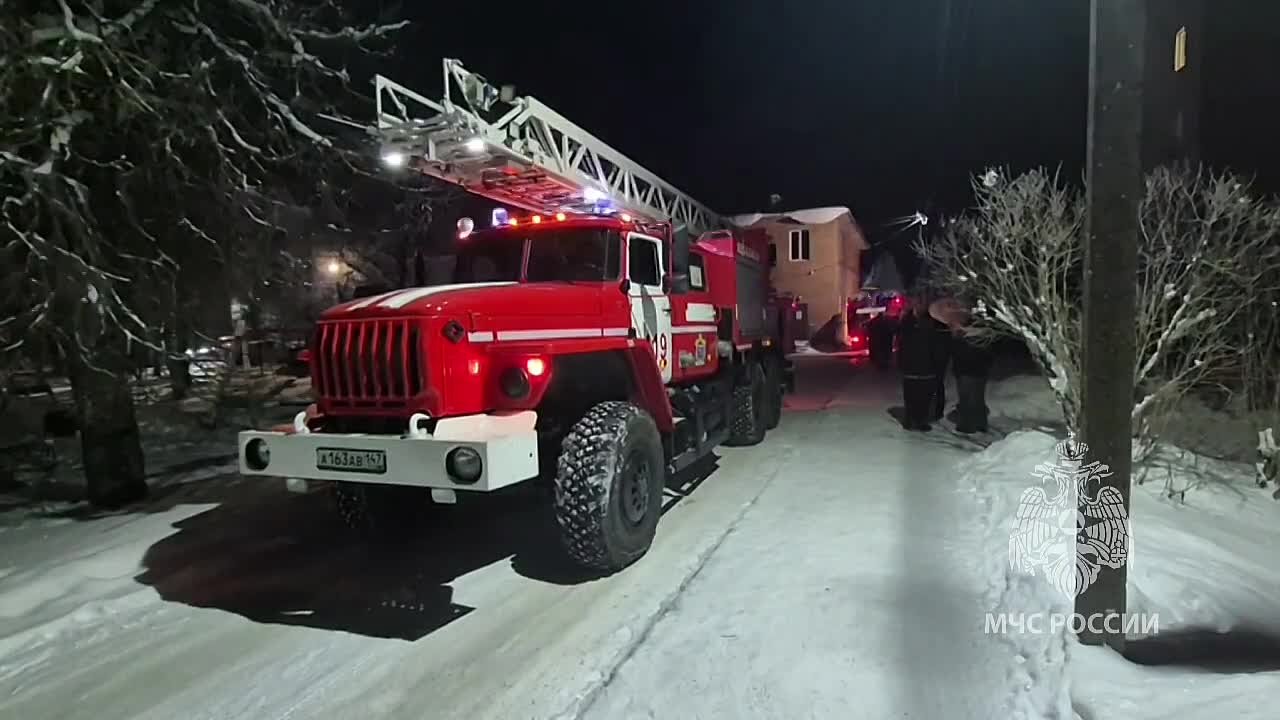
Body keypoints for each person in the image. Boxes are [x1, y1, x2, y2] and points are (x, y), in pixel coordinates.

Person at [897, 302, 936, 432]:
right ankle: (910, 419)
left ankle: (921, 420)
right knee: (910, 394)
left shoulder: (930, 322)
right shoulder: (906, 322)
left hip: (926, 366)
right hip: (911, 365)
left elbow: (935, 344)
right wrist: (901, 361)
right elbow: (901, 343)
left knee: (924, 396)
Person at [950, 329, 994, 433]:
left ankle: (966, 425)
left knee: (966, 398)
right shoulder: (983, 337)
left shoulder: (962, 338)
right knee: (978, 397)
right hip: (979, 371)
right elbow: (989, 355)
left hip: (966, 371)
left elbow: (957, 354)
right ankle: (980, 423)